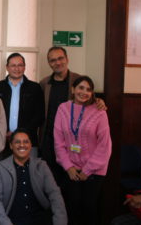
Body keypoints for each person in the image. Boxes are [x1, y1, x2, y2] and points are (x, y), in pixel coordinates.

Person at [39, 46, 106, 186]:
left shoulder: (78, 80)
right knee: (49, 182)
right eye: (52, 60)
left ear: (67, 59)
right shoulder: (44, 83)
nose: (57, 62)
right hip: (48, 140)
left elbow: (91, 99)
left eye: (60, 58)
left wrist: (100, 101)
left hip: (72, 143)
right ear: (49, 63)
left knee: (69, 184)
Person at [54, 76, 112, 225]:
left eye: (88, 89)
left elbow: (104, 146)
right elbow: (59, 141)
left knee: (88, 207)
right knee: (72, 207)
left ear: (92, 93)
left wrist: (87, 170)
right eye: (81, 88)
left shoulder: (99, 112)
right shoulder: (63, 108)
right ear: (73, 89)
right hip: (71, 168)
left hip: (94, 170)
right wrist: (68, 167)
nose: (84, 92)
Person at [0, 129, 67, 225]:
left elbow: (54, 194)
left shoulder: (41, 166)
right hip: (12, 221)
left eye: (26, 142)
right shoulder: (0, 168)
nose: (22, 145)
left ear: (30, 145)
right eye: (17, 142)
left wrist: (60, 222)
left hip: (40, 220)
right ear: (11, 146)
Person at [0, 53, 44, 157]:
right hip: (2, 141)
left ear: (24, 67)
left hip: (28, 141)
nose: (17, 68)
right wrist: (3, 132)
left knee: (28, 172)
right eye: (13, 65)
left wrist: (19, 133)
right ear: (7, 67)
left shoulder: (35, 88)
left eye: (20, 65)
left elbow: (40, 116)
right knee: (2, 171)